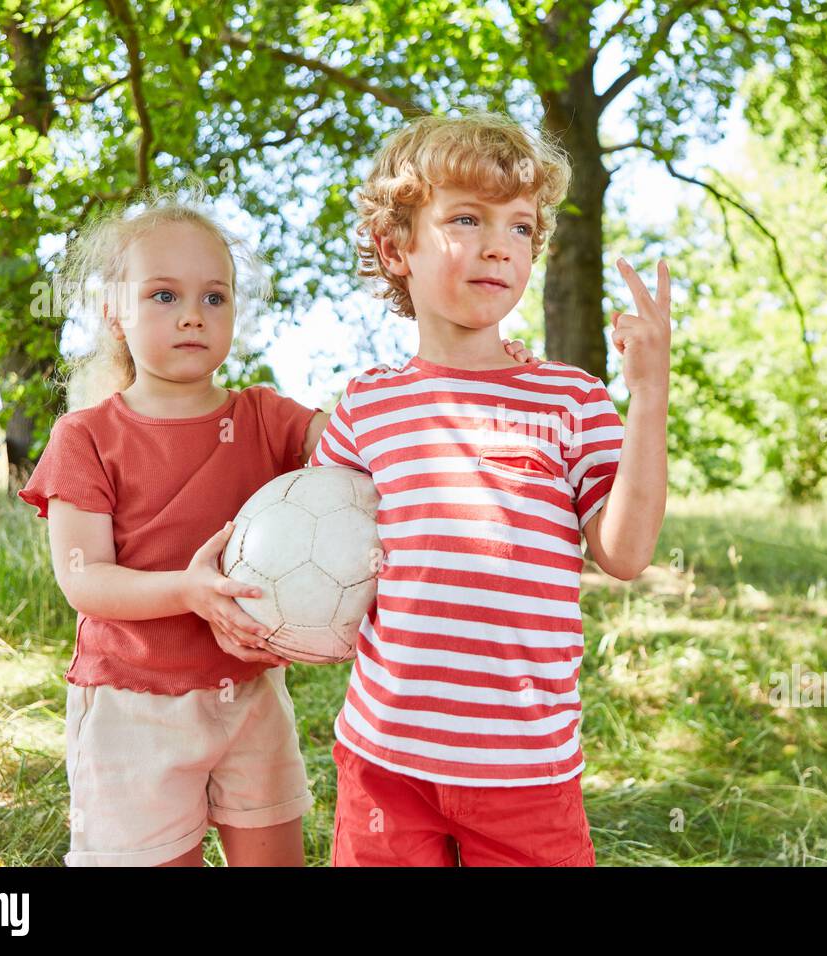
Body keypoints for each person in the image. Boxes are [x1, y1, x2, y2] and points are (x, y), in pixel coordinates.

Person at [17, 184, 537, 866]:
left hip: (251, 697)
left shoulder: (265, 416)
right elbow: (85, 582)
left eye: (215, 297)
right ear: (115, 314)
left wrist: (476, 376)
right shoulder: (85, 436)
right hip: (131, 707)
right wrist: (191, 592)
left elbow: (372, 441)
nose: (192, 316)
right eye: (163, 296)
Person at [307, 110, 673, 866]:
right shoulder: (366, 407)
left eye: (520, 228)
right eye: (466, 218)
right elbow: (317, 555)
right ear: (395, 247)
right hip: (386, 762)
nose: (498, 246)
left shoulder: (571, 400)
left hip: (527, 775)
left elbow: (626, 552)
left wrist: (648, 396)